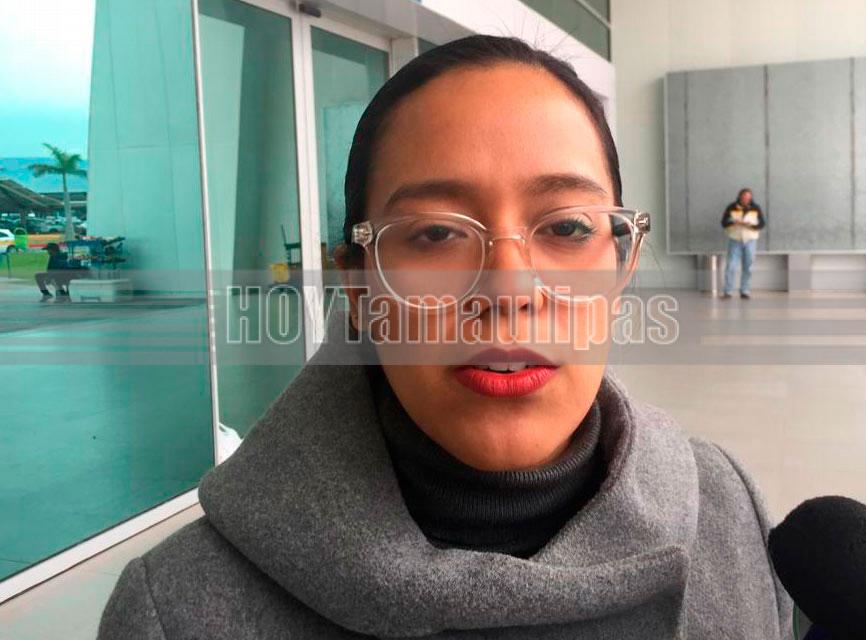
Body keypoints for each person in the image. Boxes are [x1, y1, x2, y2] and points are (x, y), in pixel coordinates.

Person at [97, 35, 791, 639]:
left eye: (567, 227)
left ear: (621, 265)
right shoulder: (177, 610)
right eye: (434, 233)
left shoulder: (724, 502)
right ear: (358, 288)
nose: (509, 290)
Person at [720, 187, 766, 299]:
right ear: (740, 196)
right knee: (731, 266)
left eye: (748, 197)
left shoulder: (756, 208)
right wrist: (733, 222)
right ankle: (728, 291)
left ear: (751, 198)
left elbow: (762, 224)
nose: (746, 199)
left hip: (750, 240)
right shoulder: (732, 207)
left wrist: (751, 225)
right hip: (735, 239)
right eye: (744, 197)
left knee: (748, 266)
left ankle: (745, 290)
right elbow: (724, 223)